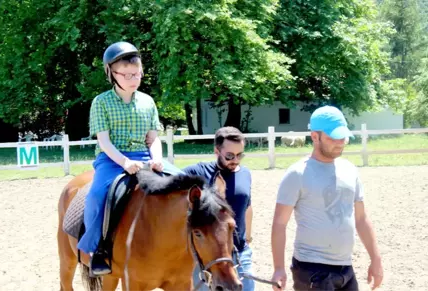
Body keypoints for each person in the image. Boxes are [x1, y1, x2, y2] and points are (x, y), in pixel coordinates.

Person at [77, 41, 180, 276]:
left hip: (145, 156)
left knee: (185, 184)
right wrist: (125, 162)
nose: (135, 79)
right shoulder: (101, 102)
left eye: (138, 73)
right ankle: (97, 249)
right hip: (111, 159)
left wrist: (156, 158)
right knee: (97, 195)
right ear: (112, 74)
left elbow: (153, 138)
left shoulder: (147, 101)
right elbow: (104, 141)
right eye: (128, 74)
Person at [270, 105, 384, 291]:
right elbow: (280, 224)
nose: (340, 142)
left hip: (346, 267)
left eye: (343, 137)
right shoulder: (297, 174)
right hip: (311, 270)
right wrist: (279, 268)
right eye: (333, 138)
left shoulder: (350, 170)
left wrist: (376, 259)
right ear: (315, 136)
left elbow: (362, 219)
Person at [182, 126, 255, 291]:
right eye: (229, 155)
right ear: (217, 151)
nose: (235, 160)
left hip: (239, 252)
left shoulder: (245, 174)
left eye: (240, 155)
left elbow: (247, 207)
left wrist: (248, 238)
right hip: (208, 257)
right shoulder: (197, 172)